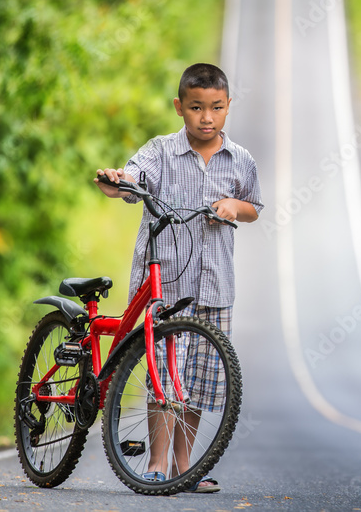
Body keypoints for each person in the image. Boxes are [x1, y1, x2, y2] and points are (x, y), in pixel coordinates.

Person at [94, 62, 262, 493]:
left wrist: (230, 205)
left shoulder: (239, 159)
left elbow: (253, 208)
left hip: (214, 288)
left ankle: (184, 468)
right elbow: (130, 179)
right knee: (164, 378)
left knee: (202, 382)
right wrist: (117, 180)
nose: (206, 117)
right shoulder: (162, 151)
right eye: (196, 108)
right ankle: (154, 462)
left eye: (216, 108)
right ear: (179, 107)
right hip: (166, 285)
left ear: (228, 107)